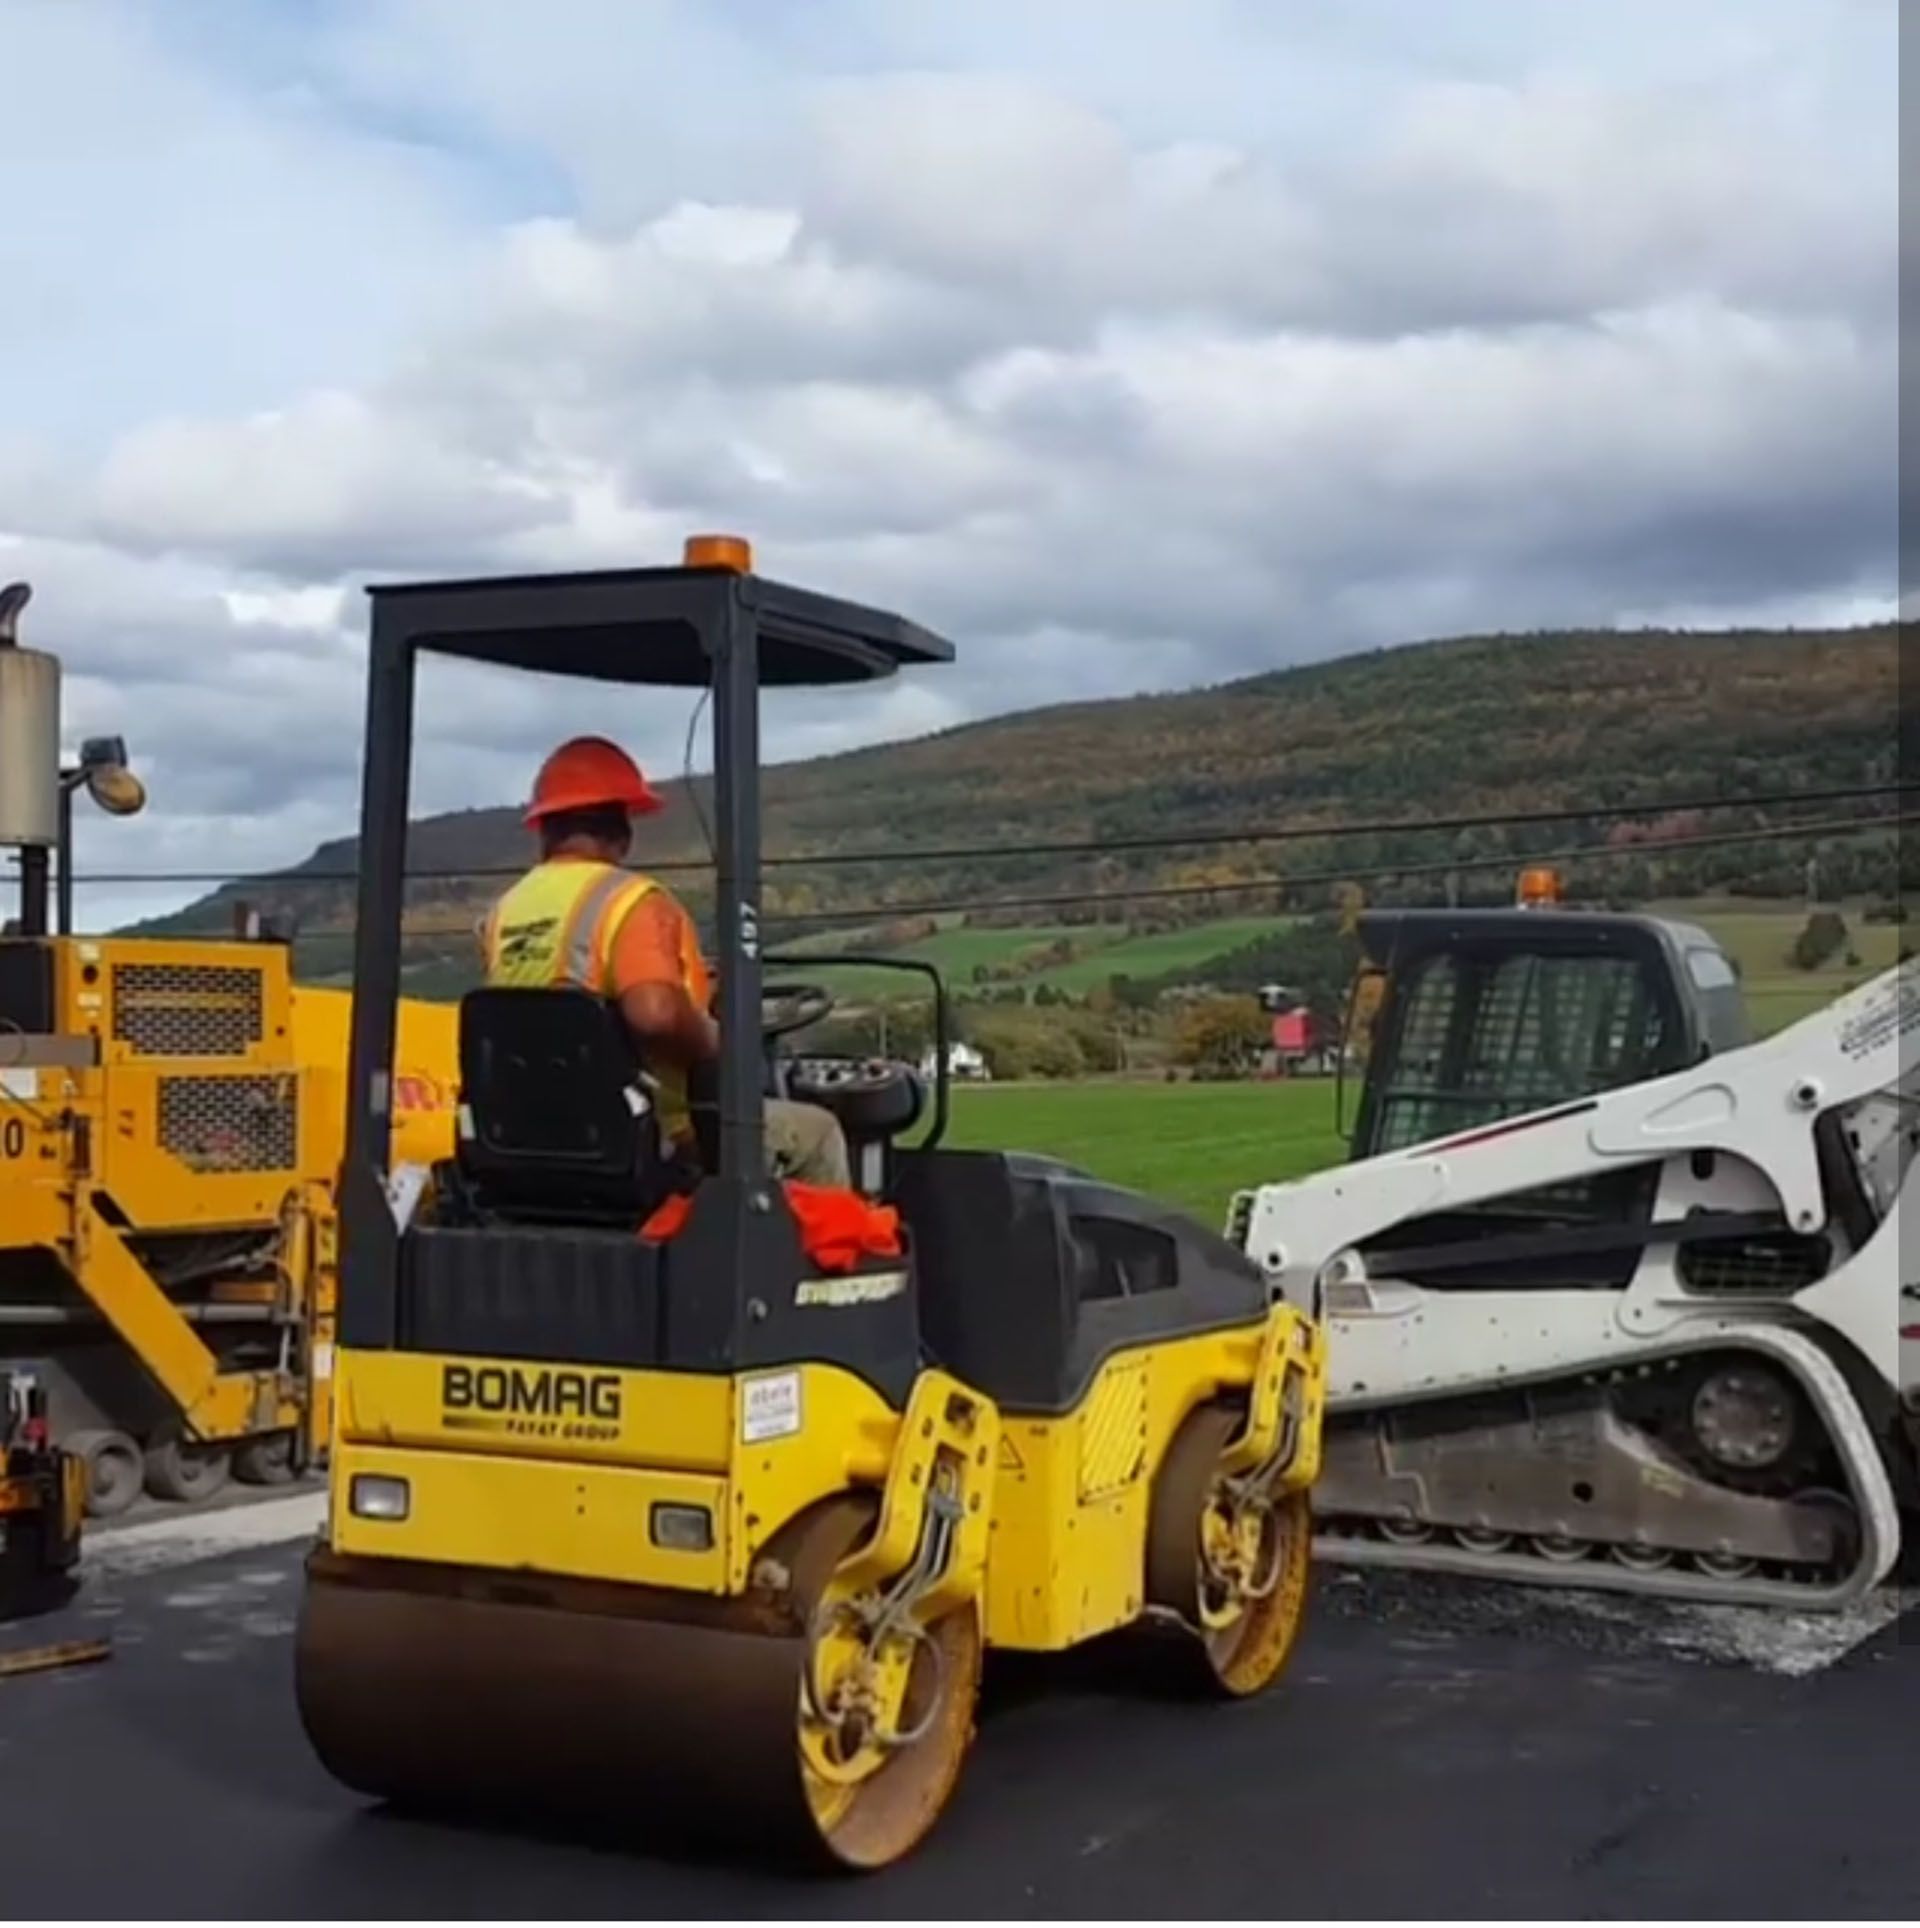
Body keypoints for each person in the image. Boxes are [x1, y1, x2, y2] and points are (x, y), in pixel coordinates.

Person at [481, 734, 851, 1188]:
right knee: (818, 1132)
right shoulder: (629, 901)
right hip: (655, 1134)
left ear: (544, 830)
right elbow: (654, 1014)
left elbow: (558, 1003)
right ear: (622, 832)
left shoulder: (505, 911)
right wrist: (715, 1040)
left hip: (532, 1140)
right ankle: (825, 1253)